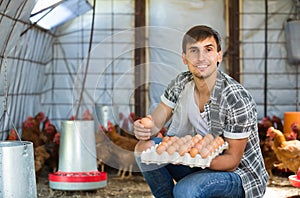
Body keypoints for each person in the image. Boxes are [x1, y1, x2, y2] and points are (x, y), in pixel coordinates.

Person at [133, 25, 269, 198]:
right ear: (184, 58)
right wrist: (144, 128)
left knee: (185, 190)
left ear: (219, 55)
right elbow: (156, 120)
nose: (201, 58)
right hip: (200, 162)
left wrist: (196, 158)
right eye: (194, 51)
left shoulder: (235, 98)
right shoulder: (181, 83)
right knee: (143, 149)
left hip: (239, 175)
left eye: (208, 49)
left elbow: (232, 160)